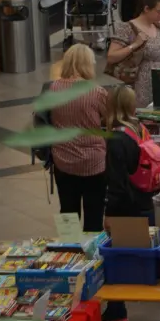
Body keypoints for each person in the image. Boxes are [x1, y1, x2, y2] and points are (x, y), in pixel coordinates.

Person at [98, 85, 160, 321]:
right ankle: (116, 309)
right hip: (144, 204)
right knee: (132, 256)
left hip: (126, 210)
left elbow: (116, 184)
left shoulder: (116, 139)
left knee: (132, 259)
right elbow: (156, 166)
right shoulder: (139, 129)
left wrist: (108, 214)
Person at [45, 44, 110, 233]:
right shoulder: (97, 92)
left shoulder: (54, 89)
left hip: (63, 160)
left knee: (67, 213)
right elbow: (109, 120)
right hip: (94, 163)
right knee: (94, 214)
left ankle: (69, 246)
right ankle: (92, 248)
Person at [107, 0, 160, 109]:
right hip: (139, 84)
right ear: (146, 9)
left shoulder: (158, 27)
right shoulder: (127, 28)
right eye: (159, 12)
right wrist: (134, 45)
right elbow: (111, 57)